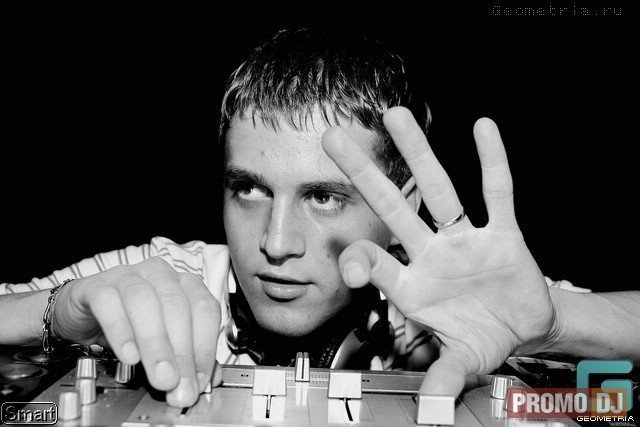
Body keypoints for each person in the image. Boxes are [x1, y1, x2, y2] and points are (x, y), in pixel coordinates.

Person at [1, 28, 638, 409]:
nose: (276, 244)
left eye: (325, 197)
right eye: (250, 189)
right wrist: (58, 312)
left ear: (401, 206)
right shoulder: (165, 274)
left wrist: (556, 325)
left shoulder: (456, 297)